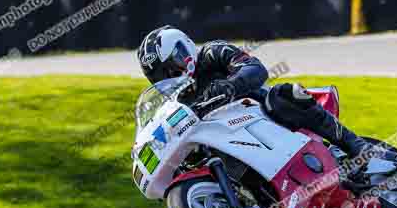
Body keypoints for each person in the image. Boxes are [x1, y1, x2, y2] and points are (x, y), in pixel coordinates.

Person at [137, 26, 370, 185]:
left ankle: (356, 146)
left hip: (260, 111)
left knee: (285, 94)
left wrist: (230, 85)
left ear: (183, 48)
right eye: (161, 76)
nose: (170, 75)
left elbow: (255, 68)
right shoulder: (178, 100)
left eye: (171, 66)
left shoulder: (213, 52)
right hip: (228, 137)